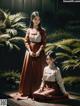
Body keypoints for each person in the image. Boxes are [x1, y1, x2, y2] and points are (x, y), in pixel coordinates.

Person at [14, 11, 47, 99]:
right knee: (28, 72)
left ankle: (36, 92)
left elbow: (43, 43)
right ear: (32, 20)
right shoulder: (28, 30)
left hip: (39, 54)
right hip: (29, 53)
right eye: (35, 19)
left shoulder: (43, 30)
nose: (37, 21)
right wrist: (30, 50)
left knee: (38, 72)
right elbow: (26, 41)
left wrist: (39, 51)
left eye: (38, 19)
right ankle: (27, 91)